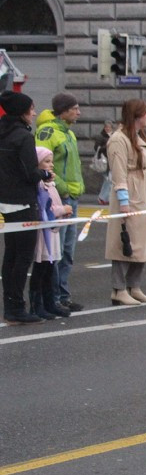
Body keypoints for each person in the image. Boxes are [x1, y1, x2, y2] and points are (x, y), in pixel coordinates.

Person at [1, 90, 49, 325]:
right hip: (23, 201)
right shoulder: (23, 137)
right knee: (23, 256)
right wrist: (45, 174)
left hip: (4, 201)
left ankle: (10, 304)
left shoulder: (3, 133)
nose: (34, 113)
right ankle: (17, 307)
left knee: (10, 254)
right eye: (31, 109)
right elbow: (30, 173)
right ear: (22, 112)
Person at [105, 99, 146, 306]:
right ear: (136, 115)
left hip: (144, 197)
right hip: (131, 197)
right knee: (124, 243)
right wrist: (124, 202)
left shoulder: (138, 137)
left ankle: (133, 286)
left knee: (142, 243)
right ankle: (118, 289)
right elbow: (119, 173)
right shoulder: (119, 139)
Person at [35, 92, 84, 312]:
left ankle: (63, 294)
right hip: (59, 198)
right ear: (63, 110)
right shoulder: (48, 131)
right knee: (55, 251)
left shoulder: (69, 134)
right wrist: (62, 188)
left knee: (67, 250)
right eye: (74, 108)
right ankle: (52, 297)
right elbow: (41, 161)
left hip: (72, 197)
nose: (78, 112)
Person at [30, 147, 73, 320]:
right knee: (40, 268)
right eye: (47, 162)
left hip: (53, 230)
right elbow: (44, 208)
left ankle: (49, 303)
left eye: (51, 161)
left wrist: (63, 212)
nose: (51, 165)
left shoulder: (50, 183)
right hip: (43, 233)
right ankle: (36, 305)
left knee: (49, 268)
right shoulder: (39, 184)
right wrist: (63, 209)